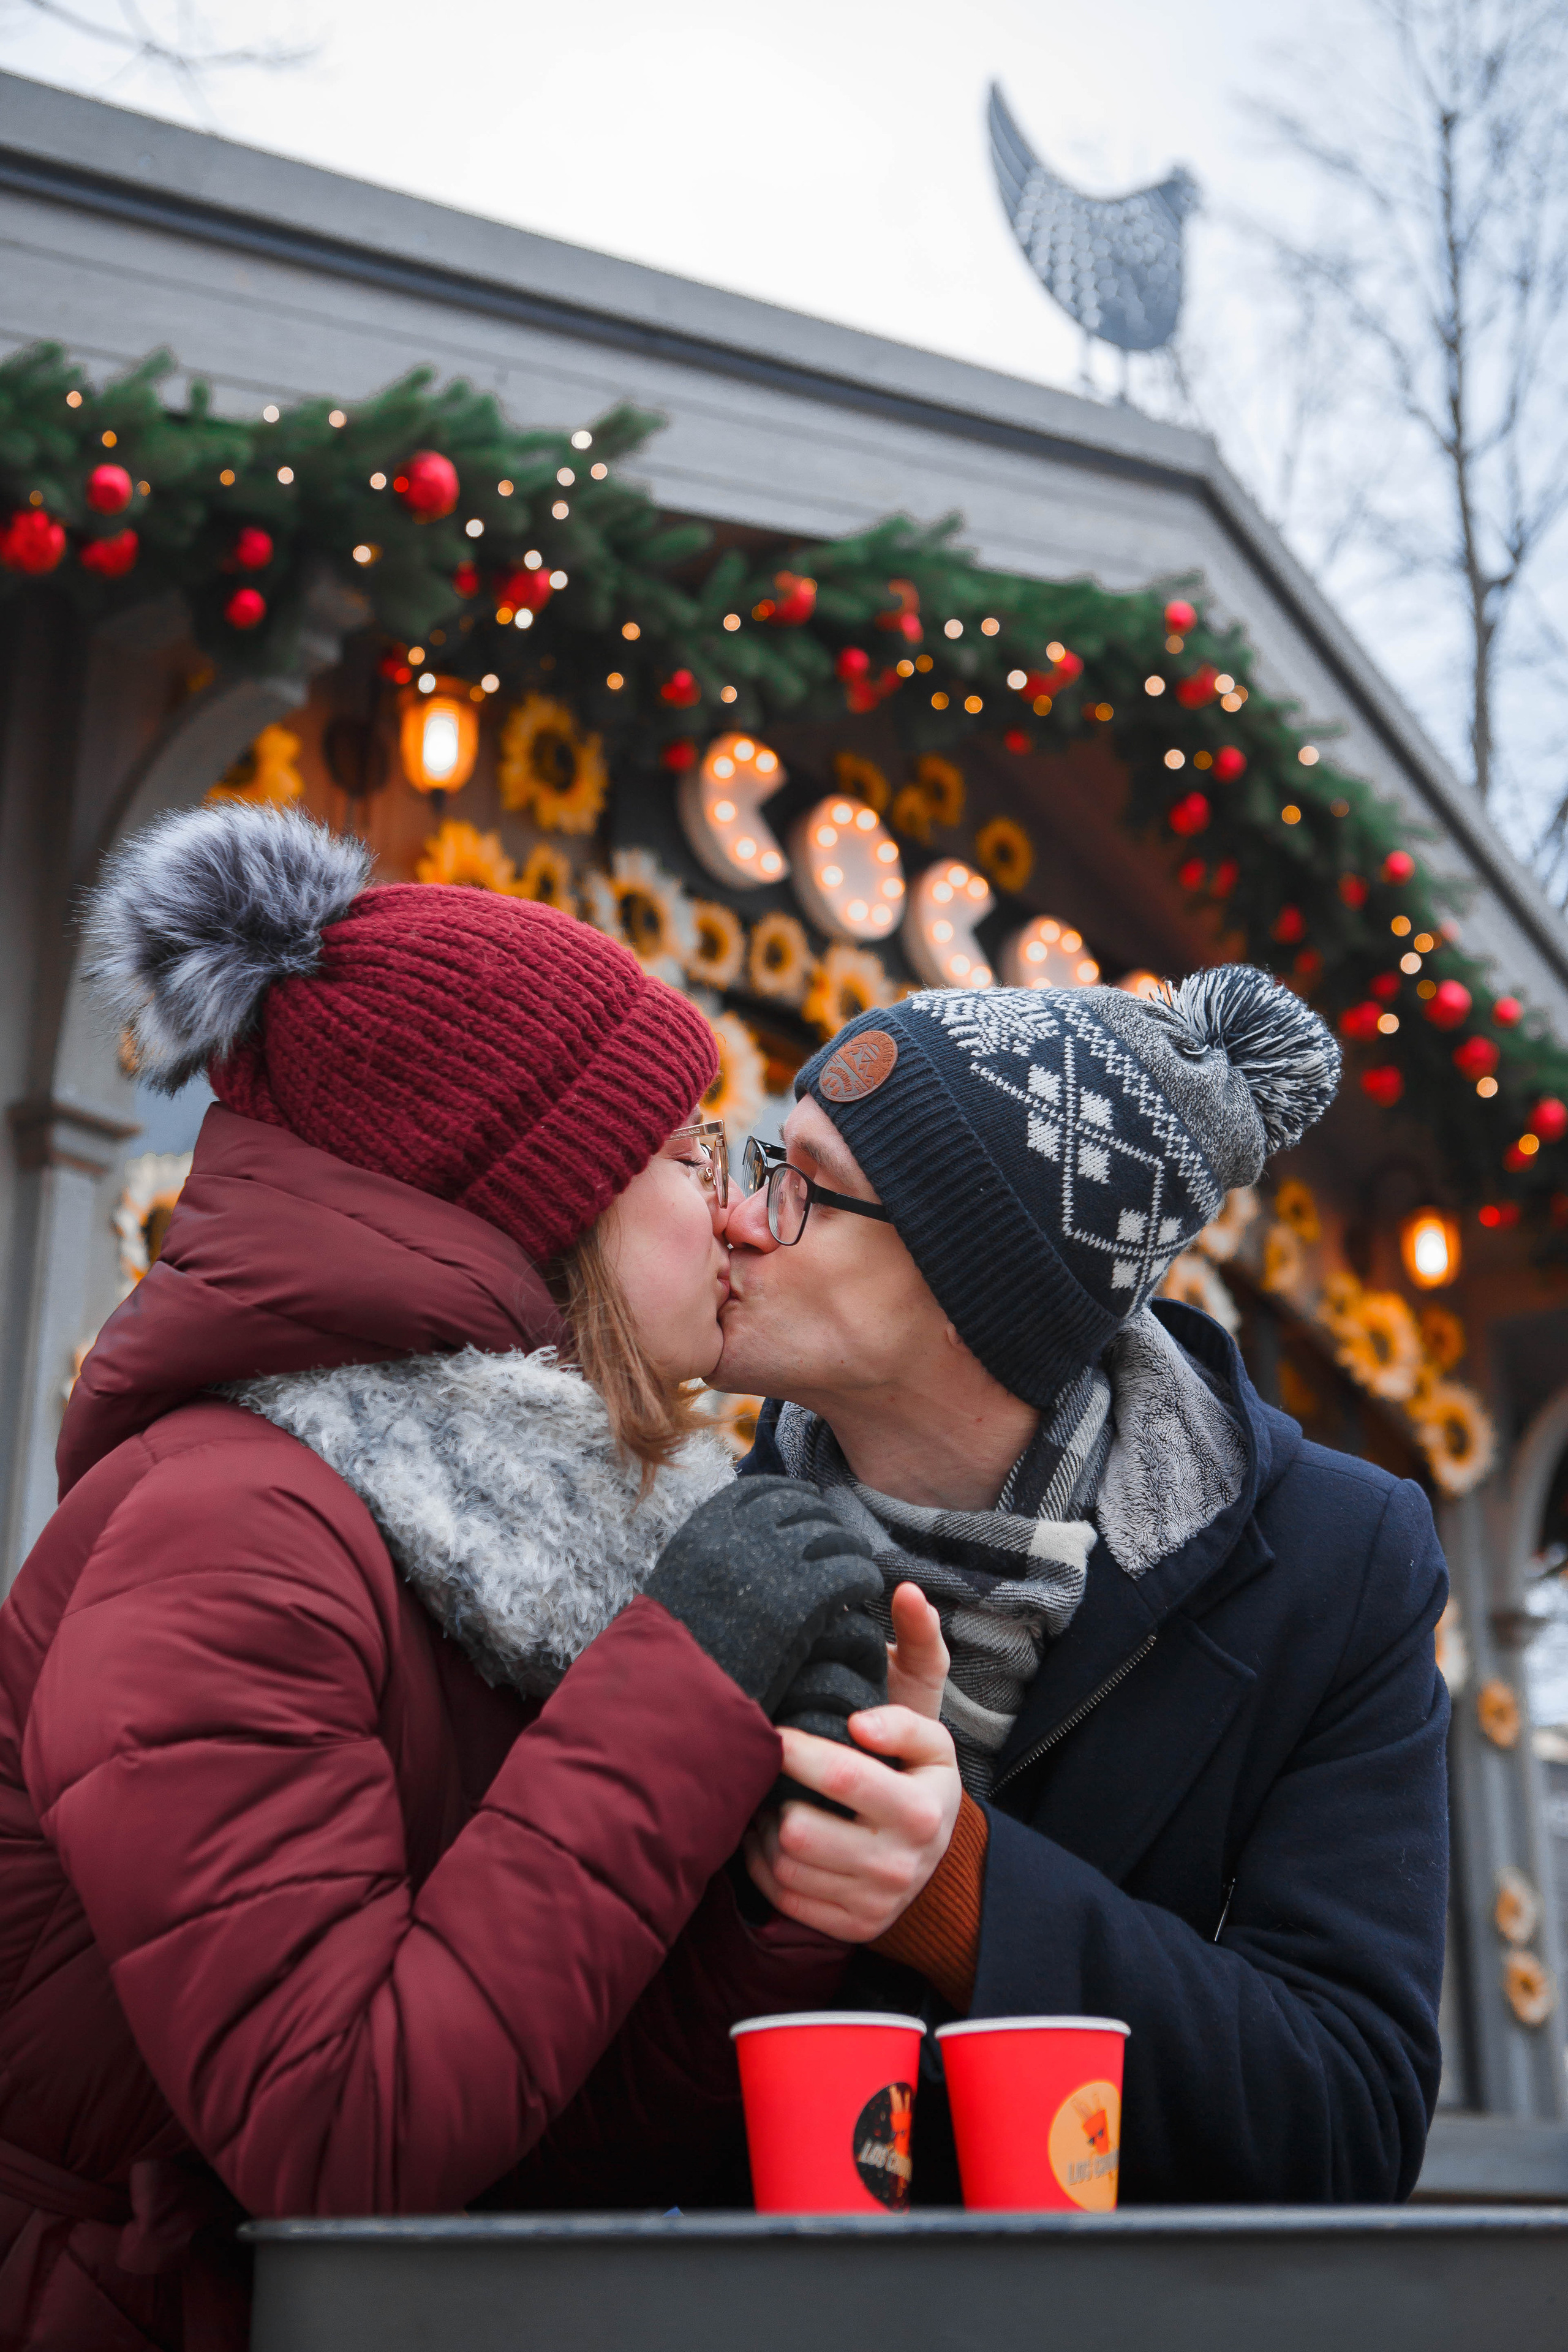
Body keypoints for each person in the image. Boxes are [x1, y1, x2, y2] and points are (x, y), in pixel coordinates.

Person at [0, 806, 881, 2351]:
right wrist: (684, 1680)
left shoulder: (509, 1536)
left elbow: (554, 2115)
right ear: (534, 1200)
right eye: (691, 1154)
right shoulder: (225, 1532)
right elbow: (345, 2138)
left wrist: (770, 1884)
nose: (744, 1214)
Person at [716, 973, 1450, 2204]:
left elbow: (1347, 2123)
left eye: (804, 1189)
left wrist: (959, 1896)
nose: (737, 1218)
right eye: (757, 1162)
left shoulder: (1339, 1560)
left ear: (979, 1282)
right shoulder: (692, 1527)